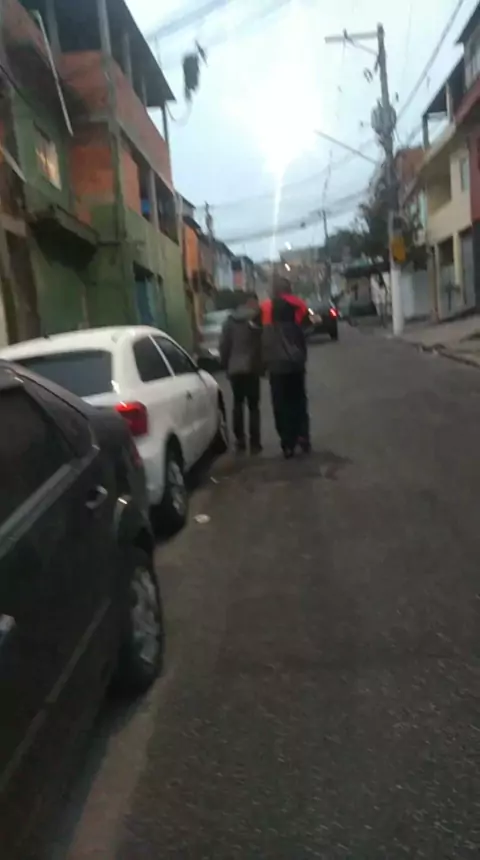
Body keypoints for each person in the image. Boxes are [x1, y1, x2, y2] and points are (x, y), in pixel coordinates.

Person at [261, 276, 311, 459]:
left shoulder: (265, 307)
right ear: (288, 288)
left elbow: (257, 333)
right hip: (296, 362)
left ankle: (287, 443)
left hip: (275, 364)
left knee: (280, 404)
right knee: (298, 400)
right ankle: (302, 435)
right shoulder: (300, 305)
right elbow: (308, 328)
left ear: (273, 290)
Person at [219, 293, 263, 454]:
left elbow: (224, 346)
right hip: (252, 368)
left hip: (235, 368)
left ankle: (240, 440)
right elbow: (260, 343)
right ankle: (255, 441)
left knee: (237, 404)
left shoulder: (229, 321)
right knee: (253, 406)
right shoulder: (255, 319)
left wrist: (226, 364)